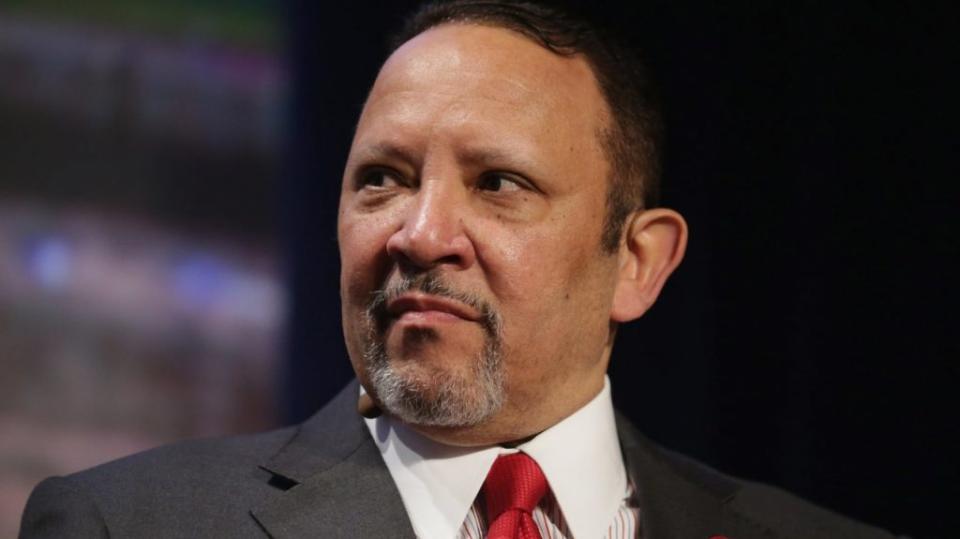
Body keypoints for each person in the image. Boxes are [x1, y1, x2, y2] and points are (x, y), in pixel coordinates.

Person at [20, 2, 901, 538]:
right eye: (383, 179)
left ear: (637, 261)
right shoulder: (128, 526)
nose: (421, 231)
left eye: (499, 184)